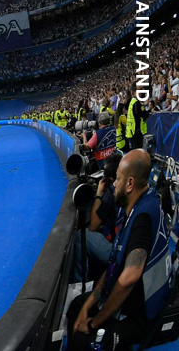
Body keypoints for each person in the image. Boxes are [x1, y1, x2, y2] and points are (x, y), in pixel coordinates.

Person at [69, 149, 172, 348]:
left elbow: (129, 278)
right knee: (77, 306)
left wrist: (93, 323)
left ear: (130, 184)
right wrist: (88, 305)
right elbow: (114, 264)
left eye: (117, 178)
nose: (114, 184)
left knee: (81, 340)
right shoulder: (142, 203)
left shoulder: (141, 220)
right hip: (133, 302)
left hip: (139, 315)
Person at [73, 153, 123, 282]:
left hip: (118, 253)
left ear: (110, 179)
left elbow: (93, 226)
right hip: (125, 246)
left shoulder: (112, 192)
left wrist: (99, 194)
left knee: (80, 237)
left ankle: (79, 285)